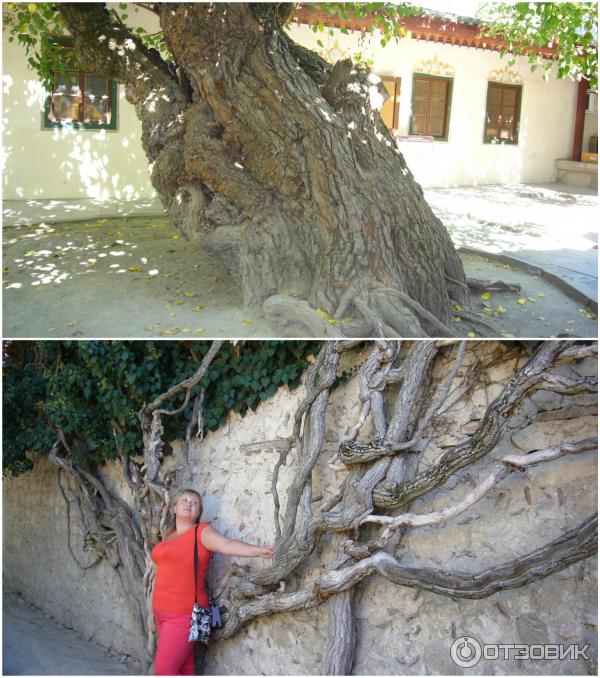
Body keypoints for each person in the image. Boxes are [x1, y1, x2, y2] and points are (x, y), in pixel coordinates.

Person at [151, 488, 274, 675]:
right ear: (174, 507)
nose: (189, 504)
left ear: (199, 512)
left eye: (195, 503)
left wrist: (258, 550)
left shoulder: (201, 532)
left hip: (183, 615)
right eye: (184, 500)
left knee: (163, 671)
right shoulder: (168, 535)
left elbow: (227, 545)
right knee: (184, 667)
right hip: (161, 611)